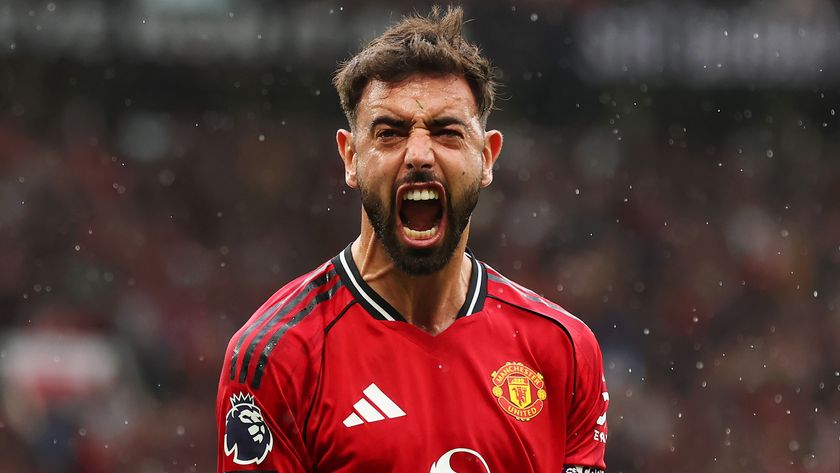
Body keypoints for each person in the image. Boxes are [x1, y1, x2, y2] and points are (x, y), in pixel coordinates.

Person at [216, 7, 608, 473]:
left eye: (446, 133)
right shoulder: (278, 358)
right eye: (389, 133)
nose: (419, 155)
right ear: (350, 157)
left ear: (487, 157)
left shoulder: (562, 349)